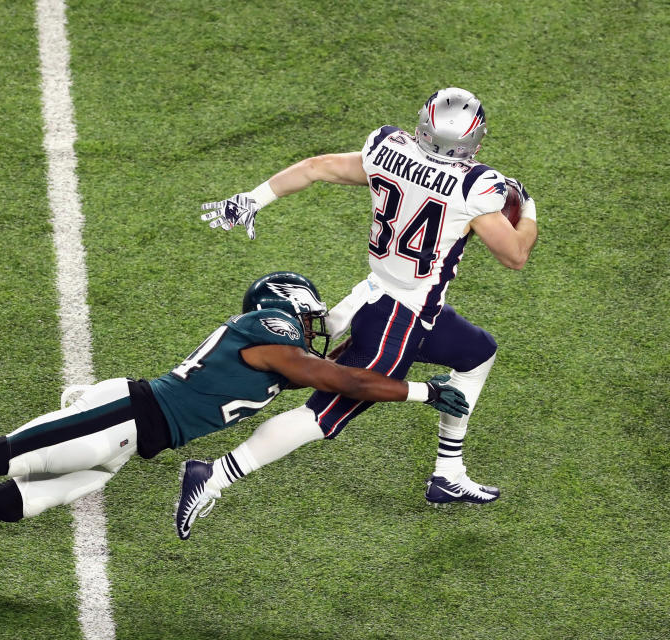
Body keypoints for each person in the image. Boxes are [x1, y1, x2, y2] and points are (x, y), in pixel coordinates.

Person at [0, 271, 469, 536]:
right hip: (127, 413)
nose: (319, 325)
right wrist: (417, 391)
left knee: (15, 504)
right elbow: (339, 379)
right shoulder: (272, 332)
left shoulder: (285, 350)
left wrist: (391, 351)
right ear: (289, 304)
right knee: (4, 456)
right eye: (313, 314)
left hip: (131, 443)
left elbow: (336, 375)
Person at [184, 87, 539, 536]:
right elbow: (515, 255)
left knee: (477, 353)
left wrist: (253, 198)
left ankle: (448, 474)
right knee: (321, 416)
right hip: (399, 316)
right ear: (475, 141)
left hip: (382, 296)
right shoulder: (476, 186)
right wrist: (527, 207)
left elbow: (316, 168)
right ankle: (212, 475)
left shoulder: (388, 148)